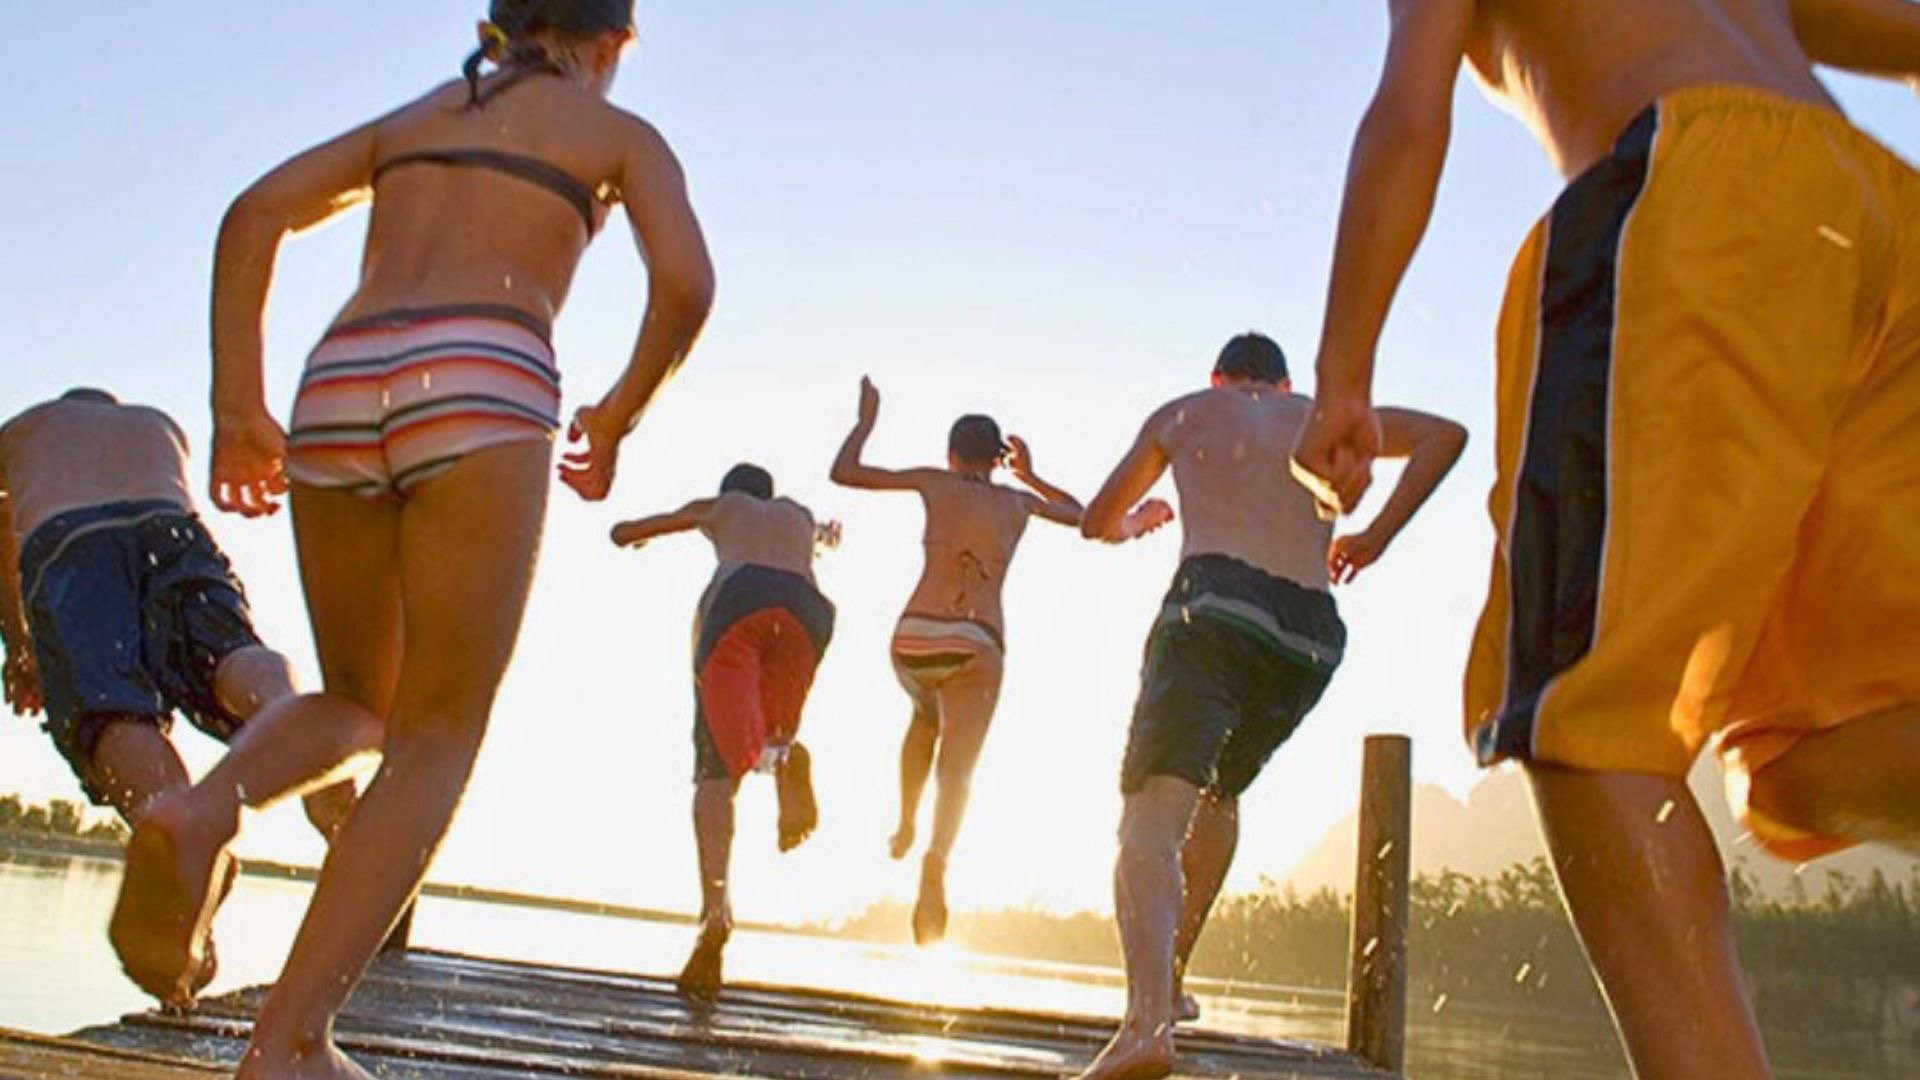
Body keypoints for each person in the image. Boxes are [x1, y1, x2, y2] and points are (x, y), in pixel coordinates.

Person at [1290, 3, 1920, 1077]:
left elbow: (1407, 113)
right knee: (1805, 762)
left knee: (1584, 717)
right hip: (1880, 219)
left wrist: (1344, 370)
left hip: (1702, 185)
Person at [110, 1, 713, 1075]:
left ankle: (204, 809)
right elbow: (687, 283)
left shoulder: (415, 119)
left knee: (360, 703)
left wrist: (237, 406)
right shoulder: (615, 136)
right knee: (439, 730)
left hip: (341, 374)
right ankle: (290, 1038)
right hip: (485, 370)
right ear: (613, 44)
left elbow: (255, 213)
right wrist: (620, 411)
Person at [1072, 333, 1463, 1080]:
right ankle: (1174, 979)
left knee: (1149, 819)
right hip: (1308, 639)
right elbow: (1446, 437)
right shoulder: (1316, 418)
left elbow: (1096, 518)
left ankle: (1146, 1023)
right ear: (1283, 386)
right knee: (1221, 788)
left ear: (1219, 378)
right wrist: (1374, 538)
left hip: (1212, 608)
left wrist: (1134, 522)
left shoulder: (1186, 412)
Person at [0, 390, 357, 991]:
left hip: (70, 544)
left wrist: (21, 647)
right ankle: (283, 709)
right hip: (173, 528)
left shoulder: (20, 432)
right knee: (222, 654)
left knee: (110, 713)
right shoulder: (157, 423)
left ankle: (177, 826)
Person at [830, 376, 1085, 945]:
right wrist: (1031, 474)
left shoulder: (933, 482)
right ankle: (935, 862)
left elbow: (844, 473)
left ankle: (903, 821)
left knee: (923, 718)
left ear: (951, 455)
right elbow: (1087, 517)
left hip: (913, 638)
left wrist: (866, 422)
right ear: (997, 460)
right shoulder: (1017, 502)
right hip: (977, 639)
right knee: (959, 770)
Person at [609, 463, 838, 997]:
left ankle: (715, 911)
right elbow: (827, 536)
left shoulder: (722, 508)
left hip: (739, 603)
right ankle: (785, 756)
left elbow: (641, 527)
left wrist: (630, 536)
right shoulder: (797, 514)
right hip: (809, 612)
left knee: (715, 774)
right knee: (768, 728)